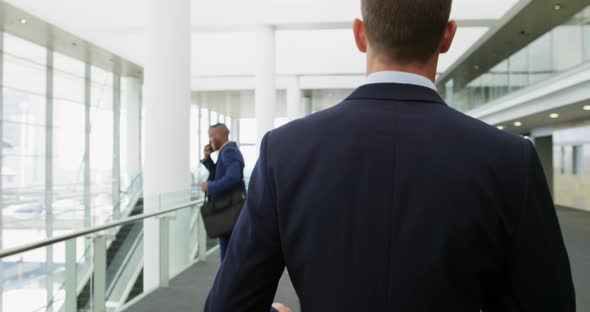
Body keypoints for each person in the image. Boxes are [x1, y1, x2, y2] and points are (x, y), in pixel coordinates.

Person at [205, 0, 576, 310]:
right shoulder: (511, 159)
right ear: (447, 37)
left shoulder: (283, 151)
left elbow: (229, 305)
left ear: (359, 35)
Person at [200, 123, 246, 261]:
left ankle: (228, 281)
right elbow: (220, 174)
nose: (210, 141)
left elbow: (233, 177)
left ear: (220, 134)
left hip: (229, 209)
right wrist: (208, 159)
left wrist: (210, 187)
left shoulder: (228, 152)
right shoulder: (226, 152)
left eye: (211, 136)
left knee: (227, 254)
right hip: (229, 209)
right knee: (229, 252)